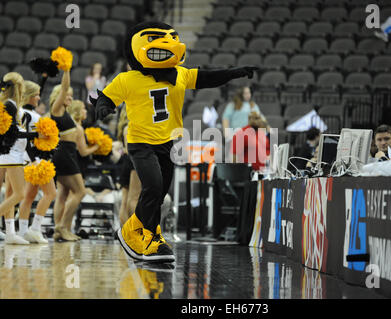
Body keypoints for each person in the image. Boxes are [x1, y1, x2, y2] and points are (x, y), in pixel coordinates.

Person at [90, 21, 257, 262]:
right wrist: (104, 107)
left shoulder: (180, 74)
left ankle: (153, 235)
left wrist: (235, 72)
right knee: (154, 187)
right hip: (140, 142)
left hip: (168, 144)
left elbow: (209, 77)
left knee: (159, 195)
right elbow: (103, 97)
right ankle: (130, 232)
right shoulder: (128, 79)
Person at [51, 64, 99, 241]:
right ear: (60, 97)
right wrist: (66, 70)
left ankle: (61, 230)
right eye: (68, 96)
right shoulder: (56, 110)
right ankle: (61, 226)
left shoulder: (65, 113)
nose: (70, 98)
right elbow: (64, 87)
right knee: (80, 192)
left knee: (63, 194)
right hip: (65, 154)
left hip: (66, 154)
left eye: (71, 96)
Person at [16, 80, 56, 244]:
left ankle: (23, 231)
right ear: (29, 97)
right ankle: (35, 229)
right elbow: (26, 140)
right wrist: (35, 160)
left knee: (29, 196)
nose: (39, 98)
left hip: (29, 160)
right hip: (34, 160)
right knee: (51, 193)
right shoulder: (28, 115)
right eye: (37, 95)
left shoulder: (24, 113)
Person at [0, 72, 29, 244]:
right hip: (11, 154)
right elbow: (10, 132)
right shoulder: (10, 105)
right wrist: (33, 134)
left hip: (10, 154)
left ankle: (10, 234)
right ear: (19, 87)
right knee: (19, 194)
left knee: (12, 193)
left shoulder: (7, 104)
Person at [117, 107, 141, 226]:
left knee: (126, 200)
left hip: (128, 162)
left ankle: (126, 229)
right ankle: (134, 227)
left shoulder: (125, 127)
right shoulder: (128, 127)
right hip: (132, 162)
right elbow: (128, 148)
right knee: (133, 198)